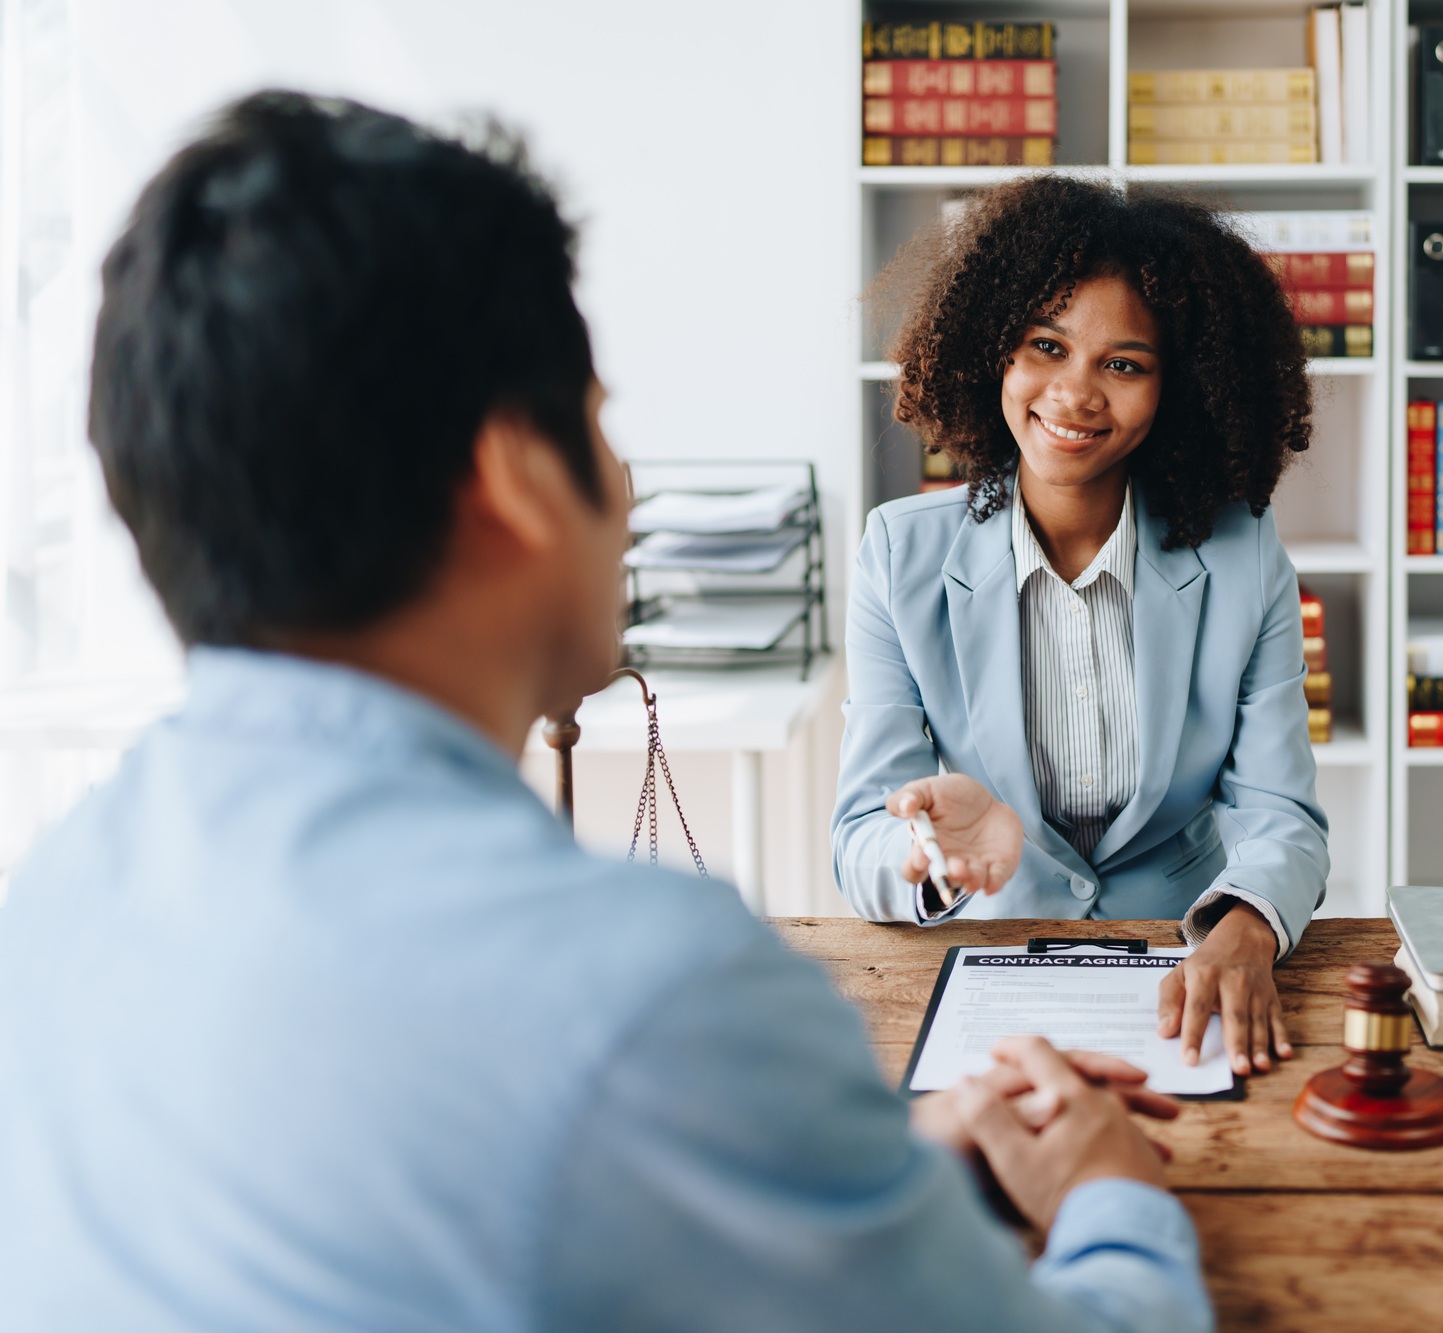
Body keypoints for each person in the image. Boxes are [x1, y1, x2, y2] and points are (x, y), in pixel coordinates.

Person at [0, 92, 1214, 1333]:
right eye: (597, 421)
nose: (627, 487)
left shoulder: (48, 902)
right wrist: (1109, 1193)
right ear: (514, 475)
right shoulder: (653, 997)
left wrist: (844, 1167)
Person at [832, 177, 1332, 1079]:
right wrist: (934, 853)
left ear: (1179, 386)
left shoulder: (1243, 554)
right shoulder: (898, 556)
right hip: (991, 968)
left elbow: (1280, 812)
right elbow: (861, 836)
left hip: (1182, 967)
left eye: (1124, 364)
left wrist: (1248, 923)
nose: (1073, 394)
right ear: (993, 348)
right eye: (1046, 346)